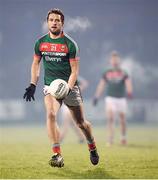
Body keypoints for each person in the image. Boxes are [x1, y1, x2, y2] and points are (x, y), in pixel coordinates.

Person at [23, 8, 99, 167]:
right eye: (51, 20)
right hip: (51, 87)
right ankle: (57, 154)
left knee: (80, 123)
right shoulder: (40, 43)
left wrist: (68, 89)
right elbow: (36, 63)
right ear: (47, 22)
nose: (54, 22)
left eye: (57, 20)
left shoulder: (70, 44)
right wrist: (32, 84)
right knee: (50, 114)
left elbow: (74, 71)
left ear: (62, 23)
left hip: (69, 86)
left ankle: (92, 146)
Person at [93, 51, 133, 146]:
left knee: (122, 119)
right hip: (110, 98)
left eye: (116, 59)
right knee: (110, 118)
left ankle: (123, 137)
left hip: (121, 98)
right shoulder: (107, 72)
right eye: (113, 59)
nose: (114, 61)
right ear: (110, 61)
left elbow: (128, 83)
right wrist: (96, 96)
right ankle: (110, 139)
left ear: (119, 60)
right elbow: (101, 85)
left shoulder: (123, 72)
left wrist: (130, 92)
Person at [60, 76, 88, 143]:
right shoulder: (62, 77)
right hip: (65, 103)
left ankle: (60, 139)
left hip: (72, 102)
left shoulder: (74, 77)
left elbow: (85, 83)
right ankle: (82, 138)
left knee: (66, 122)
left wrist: (78, 89)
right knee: (73, 123)